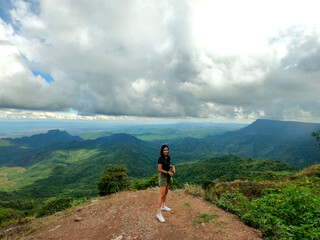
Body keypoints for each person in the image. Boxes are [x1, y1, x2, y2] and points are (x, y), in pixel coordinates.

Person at [156, 144, 176, 223]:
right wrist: (168, 172)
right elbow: (160, 169)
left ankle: (163, 206)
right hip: (163, 177)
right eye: (164, 150)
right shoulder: (160, 159)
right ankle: (158, 214)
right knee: (161, 195)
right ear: (162, 151)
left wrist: (172, 166)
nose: (166, 151)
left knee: (166, 192)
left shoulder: (168, 157)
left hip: (168, 177)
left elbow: (167, 165)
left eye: (167, 149)